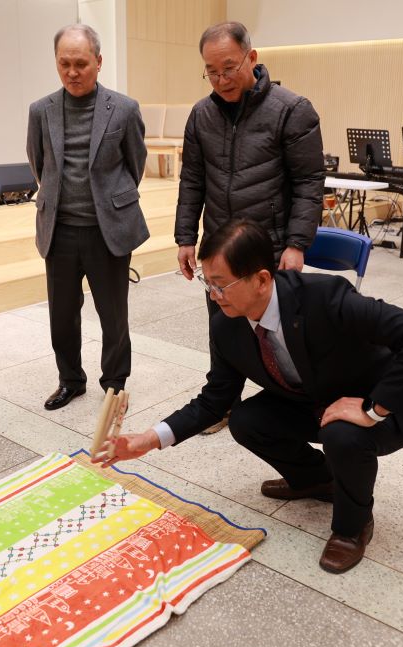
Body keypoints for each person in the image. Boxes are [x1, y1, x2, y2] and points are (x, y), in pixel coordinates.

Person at [94, 220, 403, 573]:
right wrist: (147, 440)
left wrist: (373, 408)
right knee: (246, 420)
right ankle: (318, 480)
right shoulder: (226, 324)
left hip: (389, 406)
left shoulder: (325, 298)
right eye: (207, 283)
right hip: (317, 399)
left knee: (342, 434)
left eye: (221, 285)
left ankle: (352, 527)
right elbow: (215, 400)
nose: (213, 295)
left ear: (262, 279)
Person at [174, 20, 325, 433]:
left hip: (268, 247)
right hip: (219, 247)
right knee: (223, 327)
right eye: (211, 71)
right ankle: (222, 403)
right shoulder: (201, 115)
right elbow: (192, 180)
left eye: (229, 68)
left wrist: (297, 244)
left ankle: (291, 405)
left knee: (279, 332)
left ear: (251, 58)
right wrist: (186, 237)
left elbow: (309, 182)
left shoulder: (292, 109)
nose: (221, 79)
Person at [27, 23, 149, 411]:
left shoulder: (124, 109)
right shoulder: (41, 111)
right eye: (64, 64)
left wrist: (110, 202)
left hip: (106, 230)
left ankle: (114, 385)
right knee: (62, 317)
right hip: (59, 230)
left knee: (113, 316)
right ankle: (70, 381)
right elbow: (39, 164)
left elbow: (135, 163)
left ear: (98, 61)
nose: (72, 72)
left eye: (80, 64)